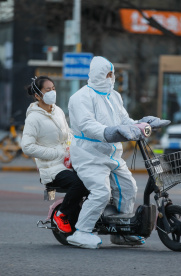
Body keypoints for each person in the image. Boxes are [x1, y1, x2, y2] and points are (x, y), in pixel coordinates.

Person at [67, 56, 170, 249]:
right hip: (89, 155)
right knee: (101, 192)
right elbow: (88, 126)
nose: (110, 78)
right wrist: (110, 132)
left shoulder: (114, 96)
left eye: (112, 74)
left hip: (113, 154)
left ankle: (122, 231)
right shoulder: (80, 97)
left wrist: (143, 124)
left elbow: (124, 120)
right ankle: (81, 232)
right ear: (97, 74)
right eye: (107, 74)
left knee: (129, 187)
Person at [21, 76, 89, 233]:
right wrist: (56, 153)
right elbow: (27, 147)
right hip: (51, 167)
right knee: (79, 184)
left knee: (94, 178)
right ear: (37, 95)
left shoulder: (57, 110)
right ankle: (62, 214)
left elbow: (67, 134)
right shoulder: (33, 118)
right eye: (47, 89)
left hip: (68, 161)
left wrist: (78, 144)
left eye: (53, 89)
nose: (52, 92)